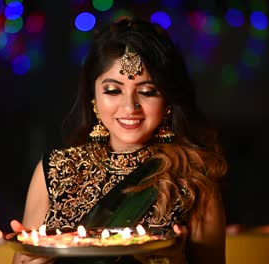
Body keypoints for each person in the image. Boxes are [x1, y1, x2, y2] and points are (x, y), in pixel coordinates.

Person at [11, 18, 227, 264]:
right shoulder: (55, 170)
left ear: (168, 101)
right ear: (93, 96)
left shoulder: (194, 179)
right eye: (113, 90)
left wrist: (175, 260)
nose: (129, 107)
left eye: (147, 92)